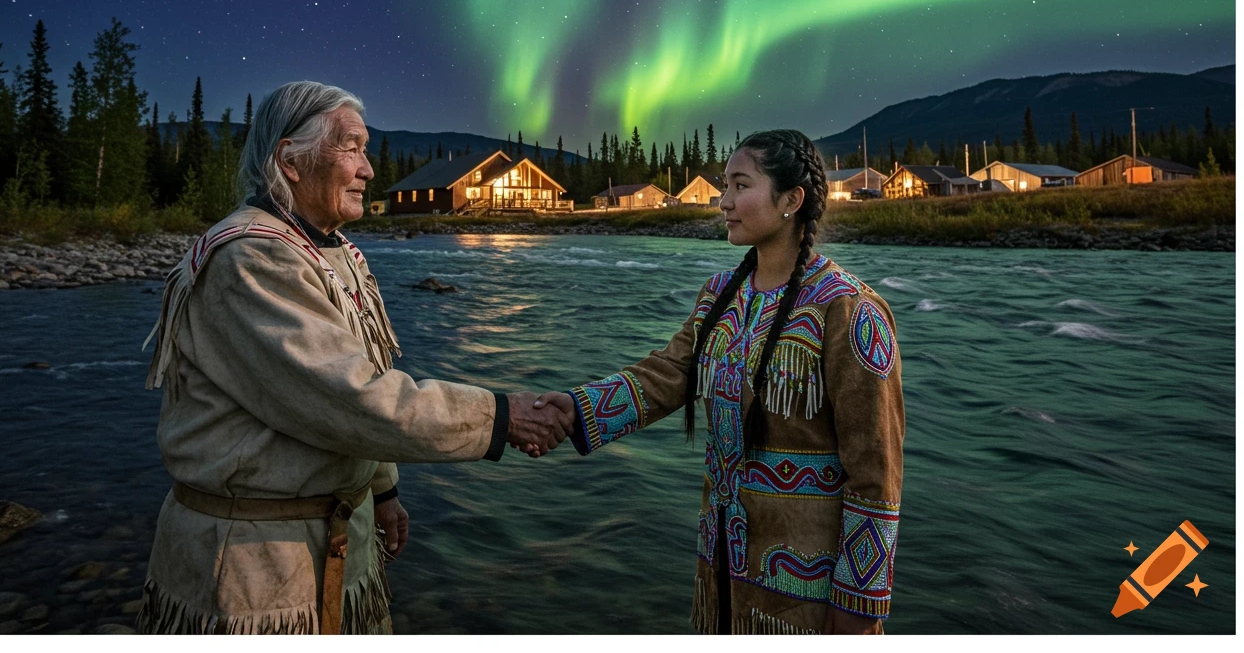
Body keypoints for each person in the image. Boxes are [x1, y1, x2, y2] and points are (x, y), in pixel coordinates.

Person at [137, 81, 572, 634]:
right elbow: (348, 397)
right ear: (290, 161)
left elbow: (366, 375)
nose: (369, 169)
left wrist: (381, 489)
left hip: (334, 542)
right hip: (255, 571)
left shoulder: (329, 250)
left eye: (367, 150)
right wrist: (504, 416)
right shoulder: (251, 260)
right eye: (352, 148)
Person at [535, 129, 904, 634]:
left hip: (808, 585)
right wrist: (576, 410)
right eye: (724, 186)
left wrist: (860, 605)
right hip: (722, 560)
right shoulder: (720, 296)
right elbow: (669, 374)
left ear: (791, 200)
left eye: (740, 186)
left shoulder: (849, 311)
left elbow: (876, 467)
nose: (723, 201)